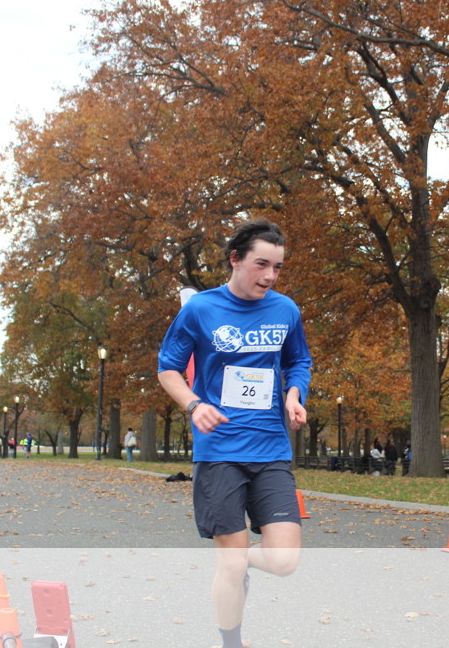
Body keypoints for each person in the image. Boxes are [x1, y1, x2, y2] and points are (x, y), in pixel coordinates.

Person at [157, 219, 312, 648]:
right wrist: (194, 404)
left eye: (278, 267)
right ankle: (231, 641)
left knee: (284, 560)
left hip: (270, 447)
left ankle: (237, 564)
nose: (270, 275)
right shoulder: (200, 309)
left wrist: (294, 394)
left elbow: (298, 361)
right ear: (235, 260)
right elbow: (168, 368)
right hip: (220, 449)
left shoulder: (285, 310)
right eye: (262, 264)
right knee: (229, 564)